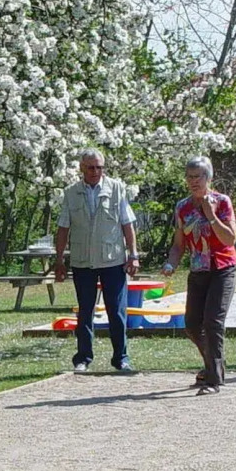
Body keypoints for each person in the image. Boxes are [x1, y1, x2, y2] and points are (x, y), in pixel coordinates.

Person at [53, 150, 141, 375]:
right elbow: (63, 228)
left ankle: (121, 358)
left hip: (112, 260)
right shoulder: (71, 193)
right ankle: (83, 358)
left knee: (117, 311)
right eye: (91, 167)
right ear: (82, 168)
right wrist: (59, 260)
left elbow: (127, 224)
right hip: (83, 261)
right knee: (85, 311)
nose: (95, 172)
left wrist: (133, 255)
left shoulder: (116, 188)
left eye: (99, 167)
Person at [162, 156, 236, 395]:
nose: (193, 181)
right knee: (193, 325)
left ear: (209, 178)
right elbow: (179, 244)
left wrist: (211, 215)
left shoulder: (221, 202)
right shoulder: (182, 207)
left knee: (213, 321)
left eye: (198, 176)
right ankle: (212, 365)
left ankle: (214, 380)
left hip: (223, 267)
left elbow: (230, 239)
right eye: (189, 176)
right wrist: (171, 263)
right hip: (198, 269)